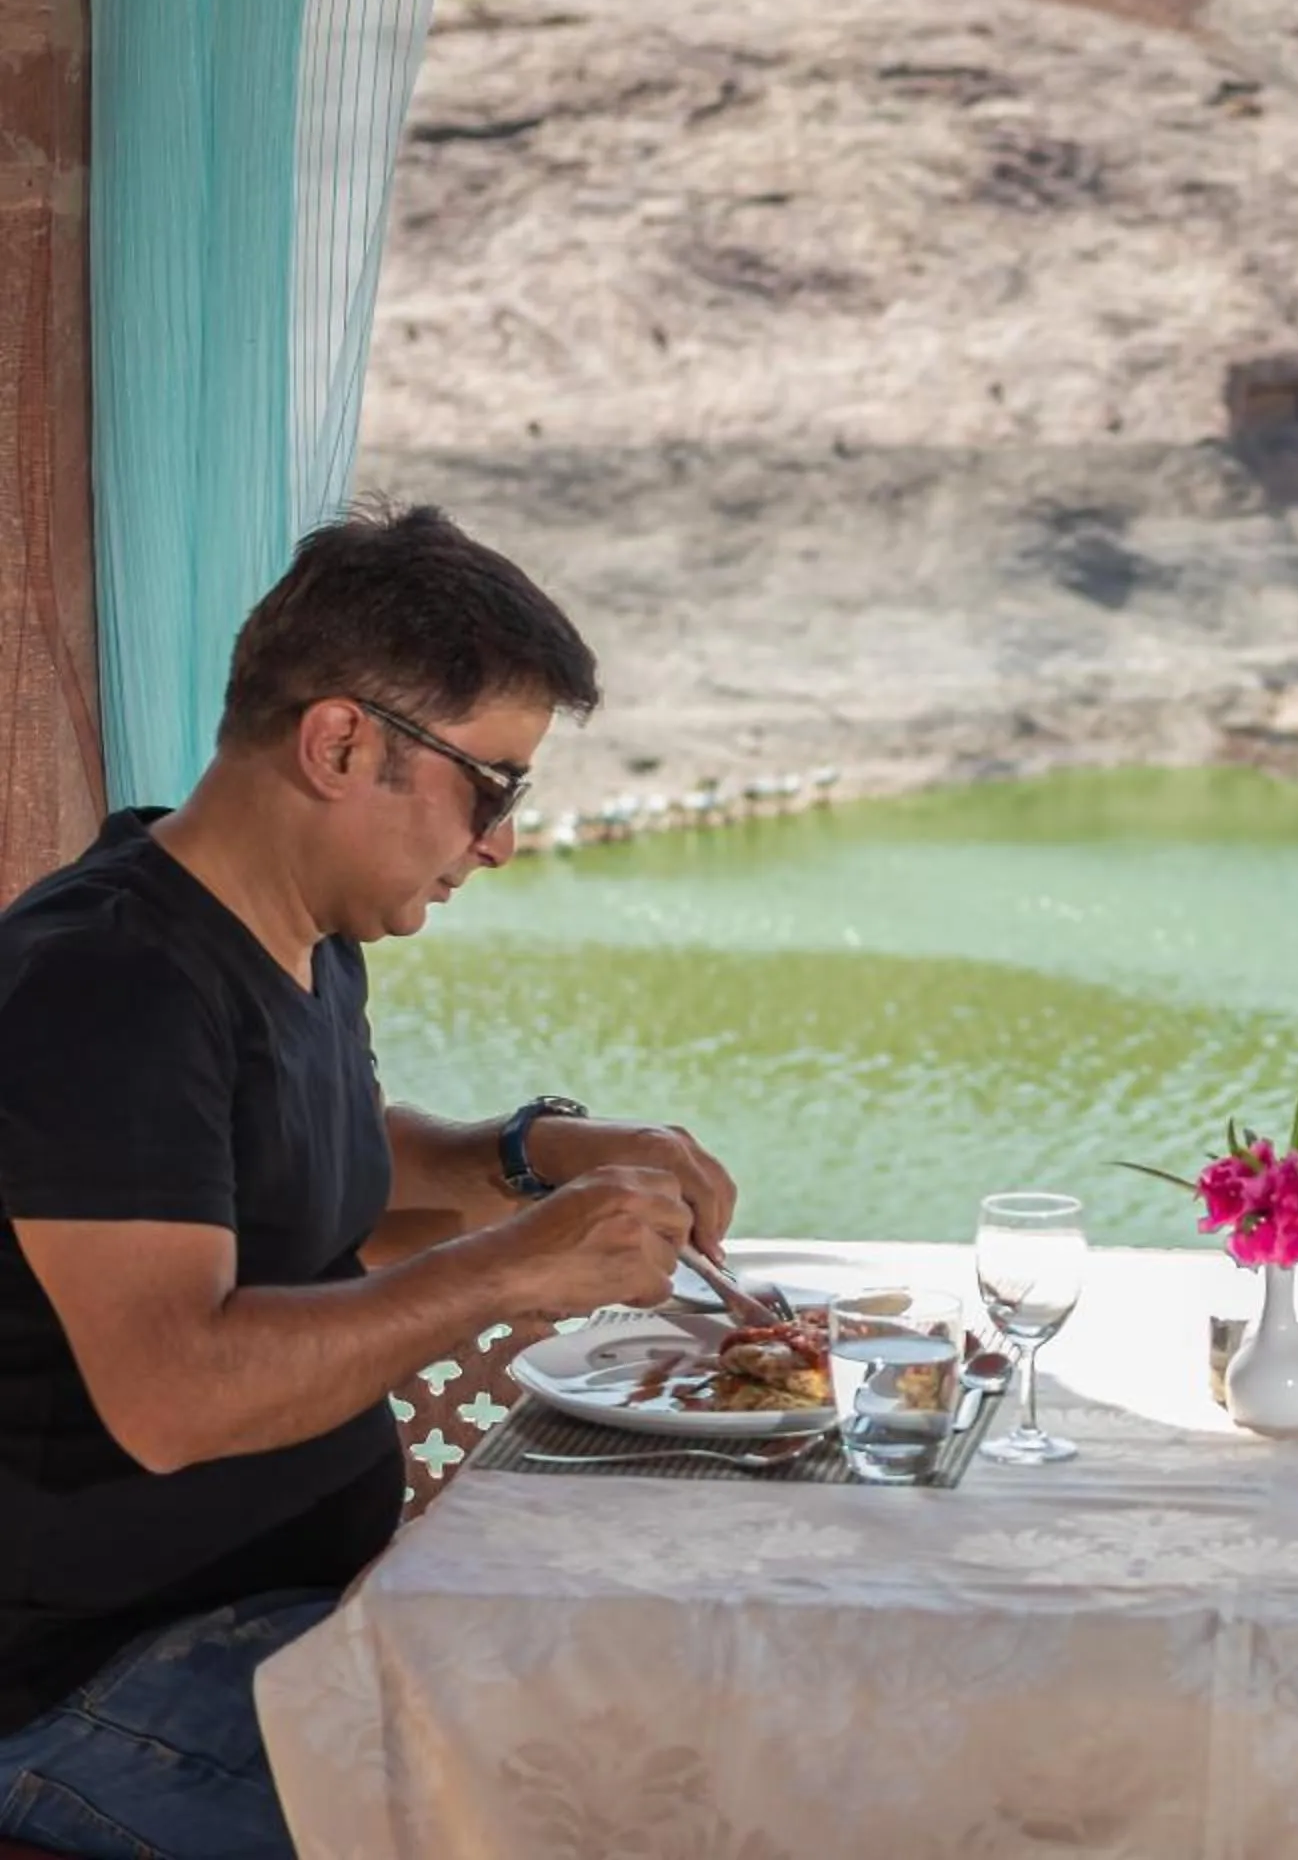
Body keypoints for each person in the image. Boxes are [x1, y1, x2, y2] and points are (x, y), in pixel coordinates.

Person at [0, 501, 743, 1860]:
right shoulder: (104, 984)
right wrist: (515, 1264)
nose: (504, 842)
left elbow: (289, 1162)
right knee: (625, 1822)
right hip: (83, 1688)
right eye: (495, 785)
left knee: (716, 1717)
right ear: (341, 741)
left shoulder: (300, 937)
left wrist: (521, 1155)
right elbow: (174, 1391)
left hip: (298, 1607)